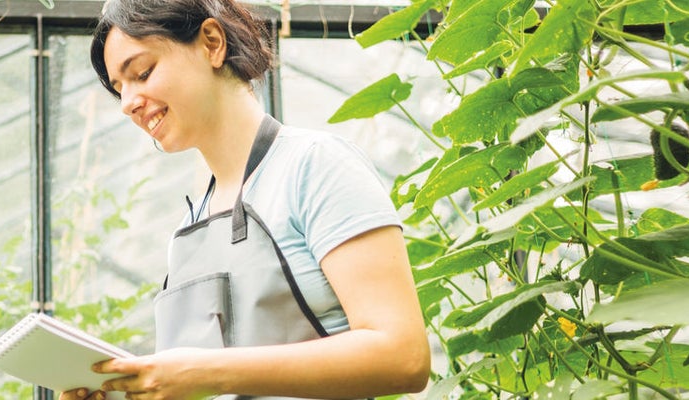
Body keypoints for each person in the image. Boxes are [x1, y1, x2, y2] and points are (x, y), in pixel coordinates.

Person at [63, 0, 431, 399]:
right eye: (120, 89)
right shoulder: (188, 233)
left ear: (211, 43)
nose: (128, 103)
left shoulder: (315, 167)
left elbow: (403, 356)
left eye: (142, 73)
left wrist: (209, 372)